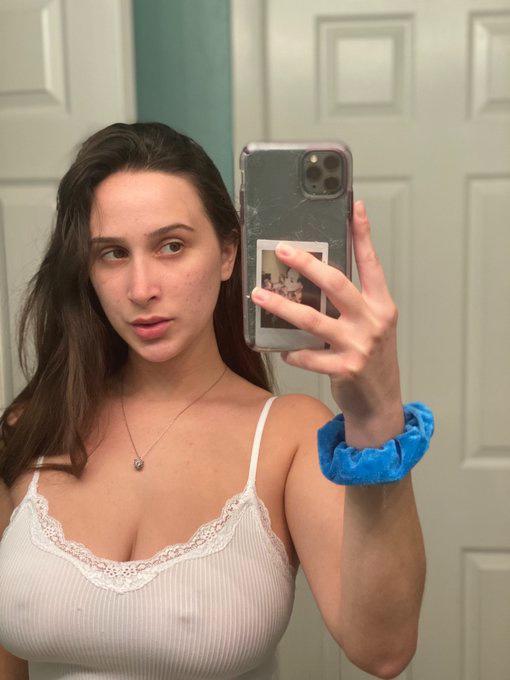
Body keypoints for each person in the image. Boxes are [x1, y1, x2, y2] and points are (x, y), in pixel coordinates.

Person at [0, 122, 426, 680]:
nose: (141, 289)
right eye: (112, 254)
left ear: (228, 253)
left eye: (171, 246)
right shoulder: (30, 429)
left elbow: (383, 650)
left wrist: (377, 414)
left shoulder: (289, 437)